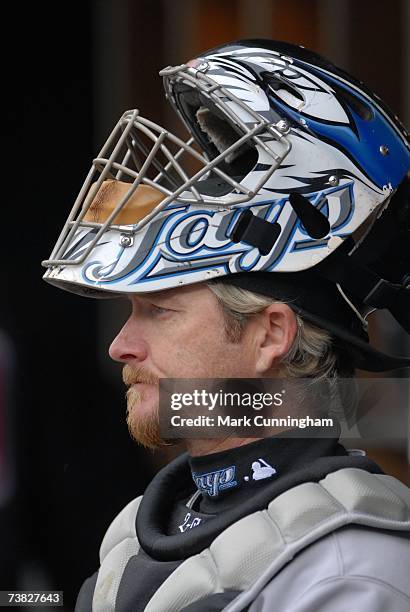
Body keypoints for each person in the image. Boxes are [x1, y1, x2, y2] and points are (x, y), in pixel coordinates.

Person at [42, 40, 410, 611]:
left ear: (270, 335)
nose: (121, 346)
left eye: (159, 310)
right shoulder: (140, 534)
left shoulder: (350, 570)